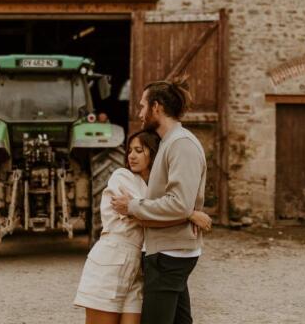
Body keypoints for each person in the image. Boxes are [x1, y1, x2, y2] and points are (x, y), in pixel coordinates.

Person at [73, 130, 212, 324]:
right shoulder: (122, 176)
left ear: (154, 154)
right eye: (130, 150)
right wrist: (189, 213)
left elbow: (158, 208)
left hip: (140, 269)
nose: (131, 155)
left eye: (139, 150)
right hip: (111, 263)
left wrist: (177, 208)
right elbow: (142, 212)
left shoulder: (158, 188)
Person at [111, 77, 206, 324]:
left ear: (157, 107)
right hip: (169, 251)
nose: (139, 112)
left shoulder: (181, 145)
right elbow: (181, 205)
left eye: (143, 106)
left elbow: (178, 204)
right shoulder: (169, 143)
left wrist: (131, 206)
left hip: (170, 254)